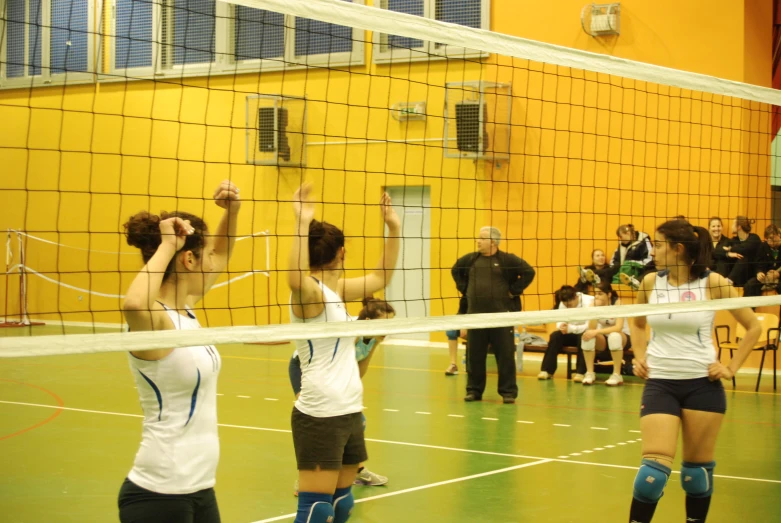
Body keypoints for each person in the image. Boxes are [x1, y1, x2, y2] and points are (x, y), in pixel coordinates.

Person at [118, 181, 241, 523]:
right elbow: (132, 303)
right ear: (188, 260)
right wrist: (167, 245)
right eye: (205, 258)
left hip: (200, 489)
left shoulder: (186, 310)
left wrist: (232, 213)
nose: (214, 263)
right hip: (159, 494)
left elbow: (223, 251)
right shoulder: (157, 322)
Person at [628, 219, 760, 523]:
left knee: (695, 477)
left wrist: (731, 367)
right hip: (660, 382)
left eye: (658, 245)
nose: (653, 251)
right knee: (651, 476)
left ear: (678, 249)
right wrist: (638, 355)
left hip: (703, 384)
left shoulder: (713, 283)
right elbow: (635, 322)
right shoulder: (650, 282)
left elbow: (753, 326)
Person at [287, 183, 400, 523]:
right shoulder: (312, 294)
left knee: (342, 504)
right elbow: (294, 279)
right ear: (342, 252)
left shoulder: (335, 290)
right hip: (320, 411)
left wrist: (393, 227)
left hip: (349, 407)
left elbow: (381, 276)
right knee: (316, 509)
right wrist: (301, 222)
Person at [288, 297, 395, 495]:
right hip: (305, 368)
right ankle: (306, 479)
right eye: (385, 322)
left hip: (331, 377)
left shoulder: (371, 338)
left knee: (357, 422)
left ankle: (357, 470)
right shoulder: (349, 333)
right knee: (316, 422)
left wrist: (375, 345)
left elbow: (357, 373)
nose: (388, 329)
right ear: (369, 322)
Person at [452, 226, 536, 403]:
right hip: (476, 317)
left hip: (502, 316)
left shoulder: (506, 259)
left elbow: (529, 272)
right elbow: (455, 270)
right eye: (478, 238)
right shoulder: (471, 259)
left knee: (505, 355)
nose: (478, 241)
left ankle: (508, 393)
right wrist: (465, 289)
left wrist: (514, 291)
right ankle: (474, 390)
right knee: (474, 356)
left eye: (482, 238)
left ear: (493, 242)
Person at [580, 281, 631, 386]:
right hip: (604, 339)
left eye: (600, 294)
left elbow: (618, 327)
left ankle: (617, 374)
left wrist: (597, 331)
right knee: (587, 336)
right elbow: (592, 328)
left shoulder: (618, 303)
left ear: (609, 294)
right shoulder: (594, 304)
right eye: (595, 293)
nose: (596, 296)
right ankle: (590, 373)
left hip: (623, 338)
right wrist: (594, 309)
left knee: (614, 336)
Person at [538, 285, 593, 381]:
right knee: (555, 336)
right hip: (570, 332)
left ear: (576, 297)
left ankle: (580, 372)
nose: (568, 307)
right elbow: (559, 321)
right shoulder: (564, 302)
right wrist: (561, 326)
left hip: (585, 333)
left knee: (584, 336)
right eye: (565, 305)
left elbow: (590, 326)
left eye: (570, 305)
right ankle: (547, 371)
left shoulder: (589, 301)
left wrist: (572, 329)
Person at [743, 224, 781, 297]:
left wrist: (778, 274)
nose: (769, 242)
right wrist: (759, 272)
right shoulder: (763, 246)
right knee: (749, 285)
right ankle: (748, 308)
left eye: (772, 238)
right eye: (767, 239)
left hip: (779, 277)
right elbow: (758, 263)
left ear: (779, 235)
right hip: (766, 276)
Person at [725, 215, 761, 287]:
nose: (731, 226)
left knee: (743, 257)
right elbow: (722, 249)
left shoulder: (754, 238)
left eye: (733, 224)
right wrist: (729, 253)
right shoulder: (734, 240)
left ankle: (729, 280)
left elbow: (745, 248)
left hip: (753, 273)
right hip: (740, 275)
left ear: (739, 227)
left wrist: (731, 249)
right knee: (725, 258)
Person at [445, 294, 467, 375]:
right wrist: (463, 325)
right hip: (471, 327)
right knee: (451, 330)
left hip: (487, 329)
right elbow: (460, 313)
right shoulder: (466, 296)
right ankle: (453, 365)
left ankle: (470, 357)